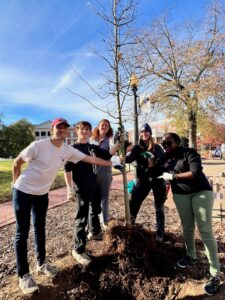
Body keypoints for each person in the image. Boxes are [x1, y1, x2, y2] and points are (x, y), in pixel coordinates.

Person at [12, 118, 113, 295]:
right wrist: (15, 184)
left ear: (68, 132)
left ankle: (41, 263)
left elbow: (89, 158)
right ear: (52, 129)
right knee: (22, 232)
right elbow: (17, 163)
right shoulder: (38, 145)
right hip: (23, 191)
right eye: (59, 127)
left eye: (65, 128)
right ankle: (23, 275)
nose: (62, 130)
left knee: (40, 228)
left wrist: (109, 163)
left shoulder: (68, 150)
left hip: (42, 194)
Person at [158, 132, 220, 296]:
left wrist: (173, 176)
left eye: (169, 143)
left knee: (205, 230)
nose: (166, 146)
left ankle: (215, 274)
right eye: (163, 144)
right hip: (180, 195)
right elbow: (156, 170)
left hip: (200, 192)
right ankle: (191, 255)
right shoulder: (165, 157)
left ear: (177, 142)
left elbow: (195, 172)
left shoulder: (189, 153)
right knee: (187, 227)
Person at [64, 121, 121, 266]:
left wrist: (119, 142)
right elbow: (67, 170)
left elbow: (108, 154)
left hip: (93, 185)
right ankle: (78, 249)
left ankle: (95, 232)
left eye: (87, 129)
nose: (84, 131)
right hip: (82, 187)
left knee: (96, 210)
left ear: (90, 132)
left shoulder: (92, 148)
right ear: (77, 131)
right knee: (81, 219)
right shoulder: (72, 149)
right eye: (82, 129)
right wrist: (69, 189)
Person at [125, 123, 167, 242]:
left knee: (159, 207)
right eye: (142, 132)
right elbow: (129, 159)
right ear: (140, 134)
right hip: (143, 180)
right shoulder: (137, 148)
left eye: (146, 131)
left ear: (150, 133)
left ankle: (160, 232)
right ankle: (129, 228)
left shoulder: (157, 147)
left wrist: (154, 160)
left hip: (157, 179)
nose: (144, 133)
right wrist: (122, 150)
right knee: (134, 203)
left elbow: (164, 161)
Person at [91, 119, 114, 229]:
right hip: (92, 172)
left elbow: (112, 154)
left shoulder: (110, 140)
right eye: (102, 125)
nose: (104, 127)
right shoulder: (92, 139)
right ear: (98, 126)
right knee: (93, 199)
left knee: (104, 197)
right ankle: (93, 222)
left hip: (105, 172)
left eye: (106, 125)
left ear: (109, 128)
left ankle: (105, 220)